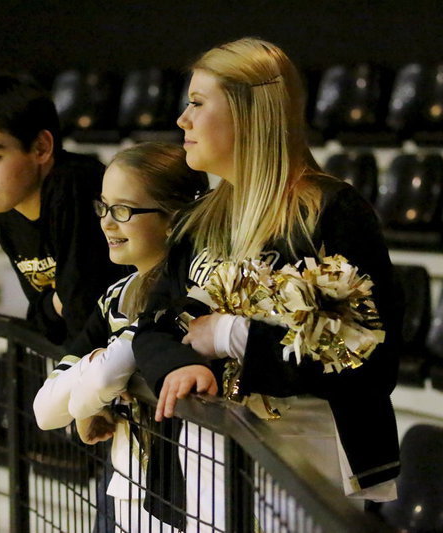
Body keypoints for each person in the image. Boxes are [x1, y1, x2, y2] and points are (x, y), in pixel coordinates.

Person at [132, 37, 403, 529]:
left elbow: (371, 358)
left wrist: (231, 336)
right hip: (206, 452)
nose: (182, 120)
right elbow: (152, 324)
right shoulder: (198, 221)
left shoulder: (331, 212)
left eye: (197, 103)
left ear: (247, 112)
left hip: (304, 455)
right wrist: (177, 366)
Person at [33, 142, 209, 533]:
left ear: (174, 219)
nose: (107, 223)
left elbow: (103, 374)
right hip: (127, 483)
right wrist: (92, 396)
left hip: (185, 495)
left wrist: (89, 397)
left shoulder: (197, 289)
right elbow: (45, 411)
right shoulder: (116, 294)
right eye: (104, 207)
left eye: (123, 210)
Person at [0, 73, 127, 345]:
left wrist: (57, 304)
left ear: (41, 148)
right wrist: (57, 302)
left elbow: (83, 312)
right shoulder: (5, 210)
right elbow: (42, 320)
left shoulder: (77, 185)